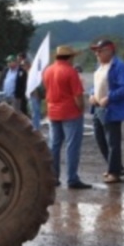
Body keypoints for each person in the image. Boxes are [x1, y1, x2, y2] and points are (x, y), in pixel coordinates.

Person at [42, 45, 91, 189]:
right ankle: (72, 178)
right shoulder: (70, 72)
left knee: (54, 145)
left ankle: (53, 177)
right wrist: (81, 109)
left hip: (53, 112)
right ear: (70, 57)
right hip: (70, 113)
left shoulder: (48, 71)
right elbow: (78, 96)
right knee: (72, 146)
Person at [88, 39, 124, 184]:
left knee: (113, 142)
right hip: (97, 108)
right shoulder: (100, 66)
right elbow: (96, 85)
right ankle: (116, 167)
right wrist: (91, 94)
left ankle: (114, 172)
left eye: (100, 51)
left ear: (109, 50)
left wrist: (110, 97)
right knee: (100, 140)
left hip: (111, 109)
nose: (97, 53)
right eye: (96, 51)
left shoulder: (119, 66)